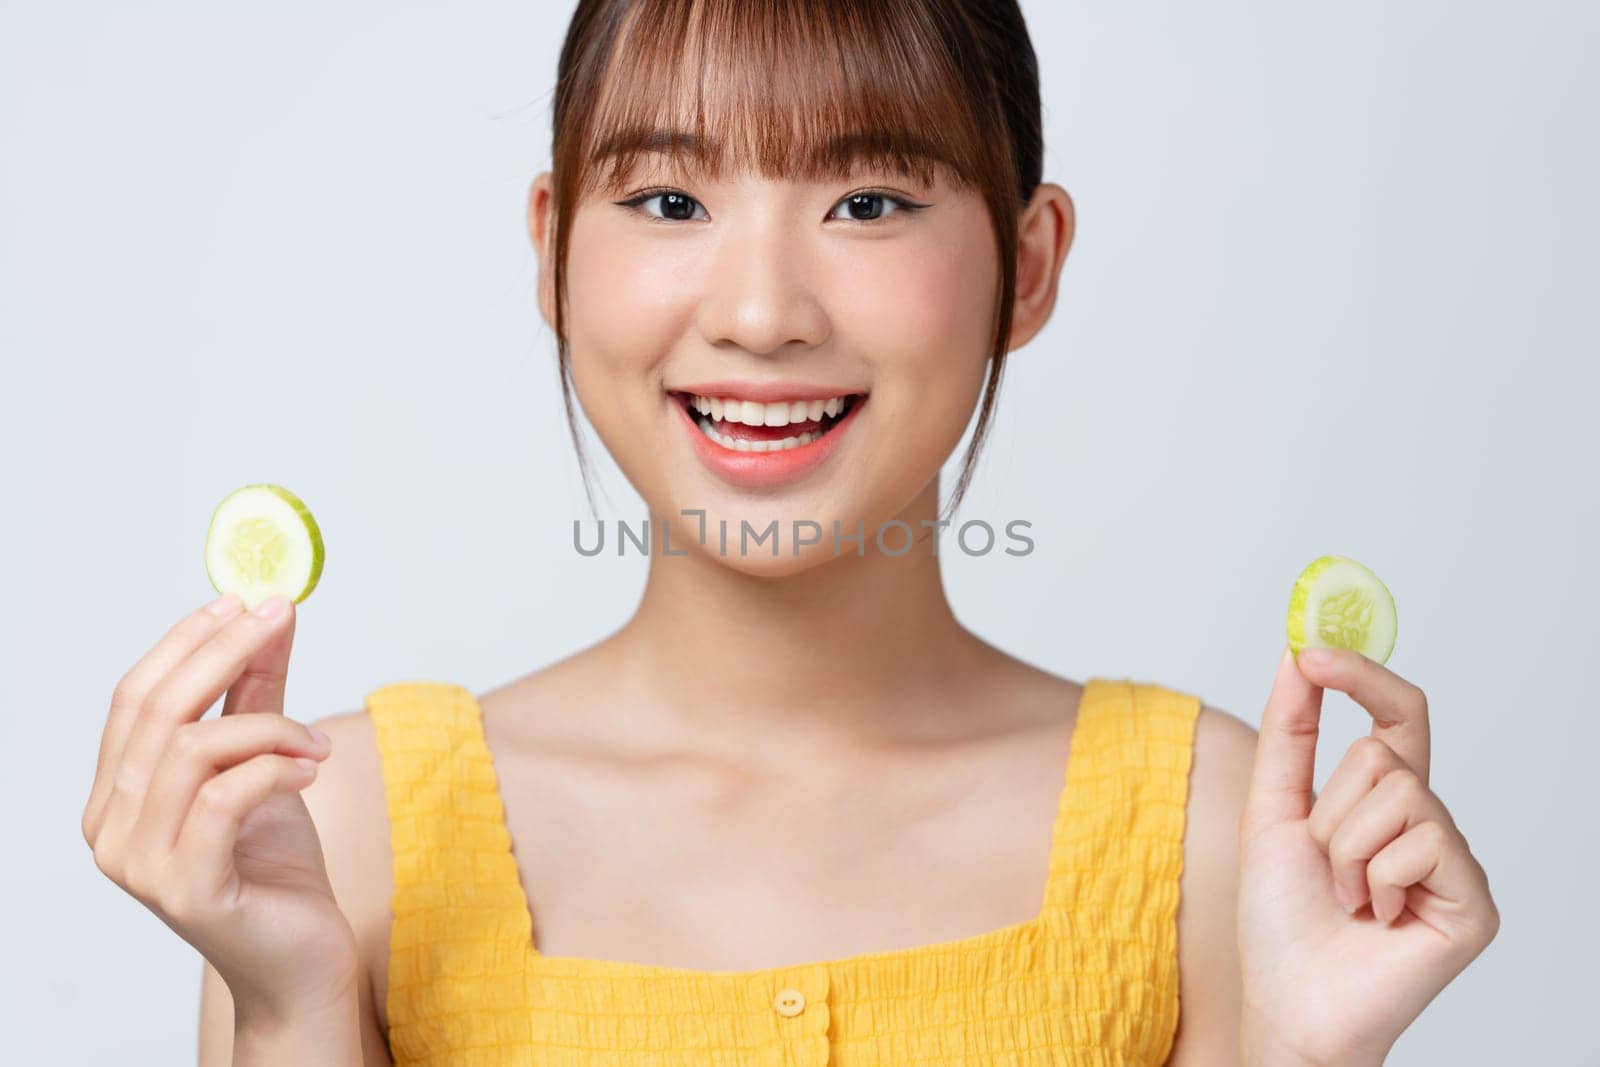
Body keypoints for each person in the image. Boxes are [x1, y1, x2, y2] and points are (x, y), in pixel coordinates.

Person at [82, 1, 1499, 1063]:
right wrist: (289, 1008)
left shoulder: (1224, 835)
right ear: (552, 251)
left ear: (1031, 264)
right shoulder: (335, 836)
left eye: (869, 200)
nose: (760, 312)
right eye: (669, 200)